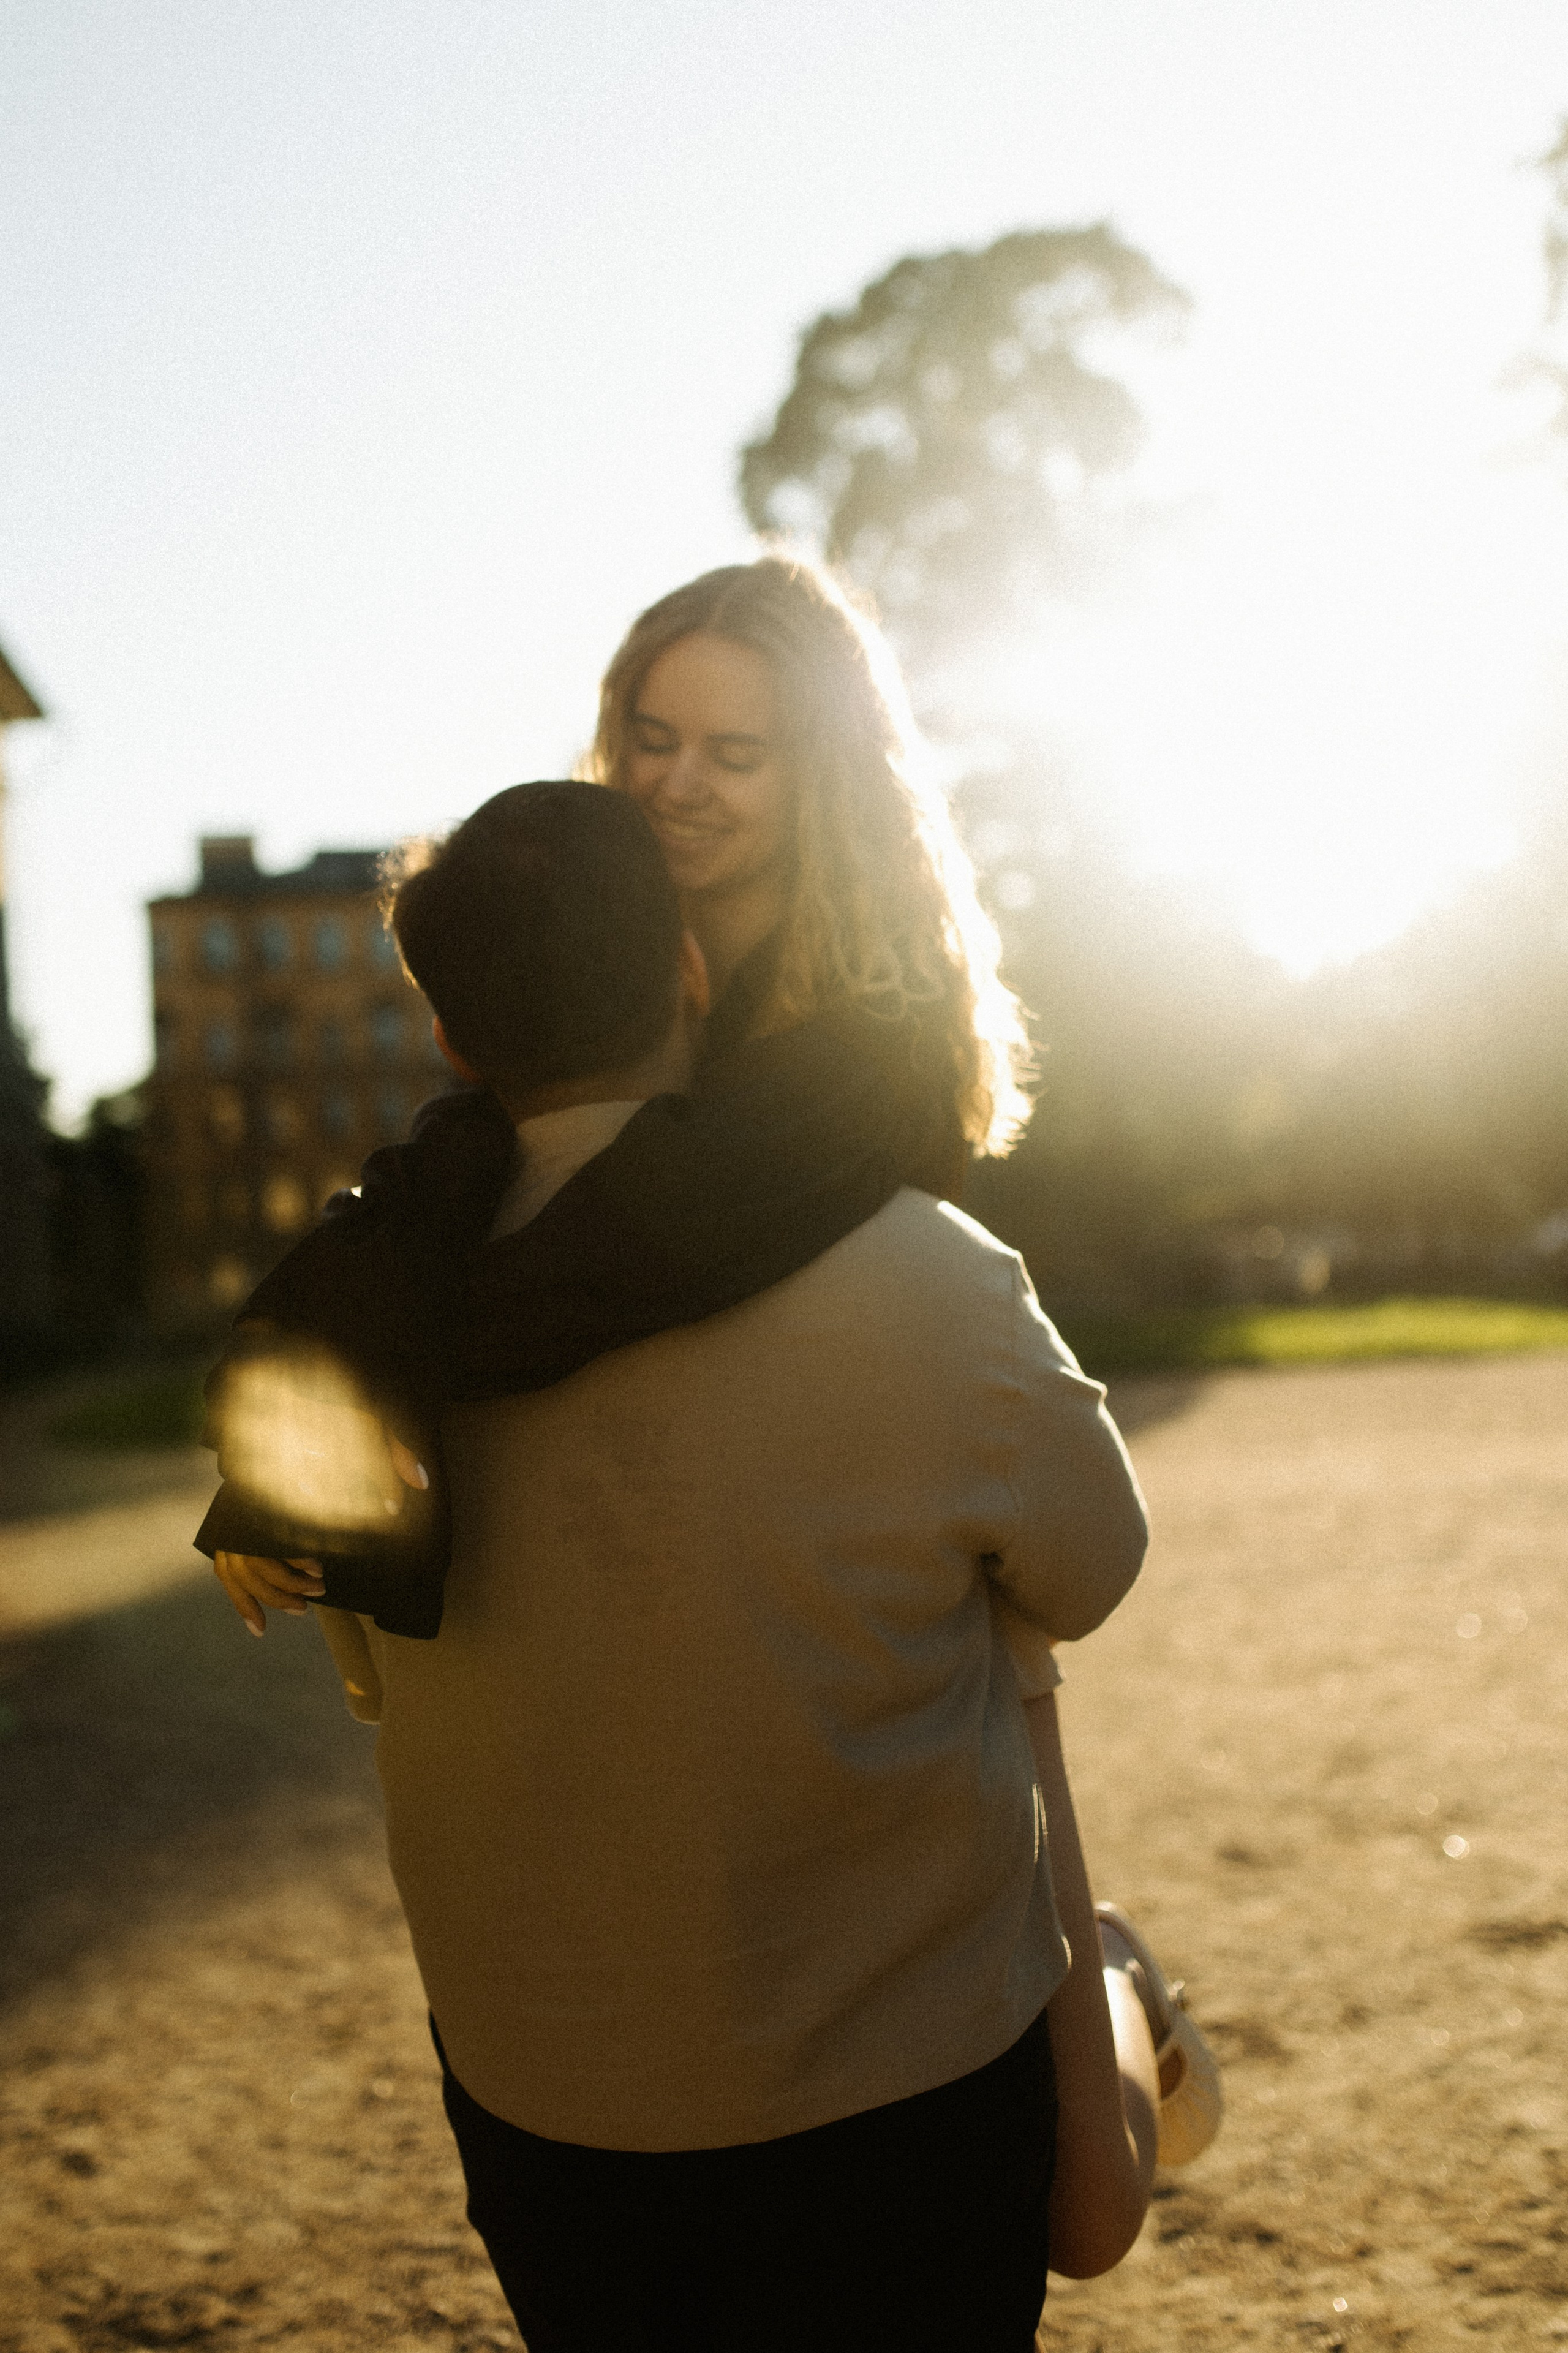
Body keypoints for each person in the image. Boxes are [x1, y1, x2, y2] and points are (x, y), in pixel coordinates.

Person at [206, 556, 1218, 2301]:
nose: (679, 780)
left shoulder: (856, 1063)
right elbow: (502, 1194)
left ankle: (1098, 1978)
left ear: (820, 775)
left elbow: (597, 1251)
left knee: (1083, 2204)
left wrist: (363, 1333)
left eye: (736, 752)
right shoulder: (568, 960)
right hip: (668, 1606)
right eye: (650, 736)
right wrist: (302, 1420)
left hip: (884, 1585)